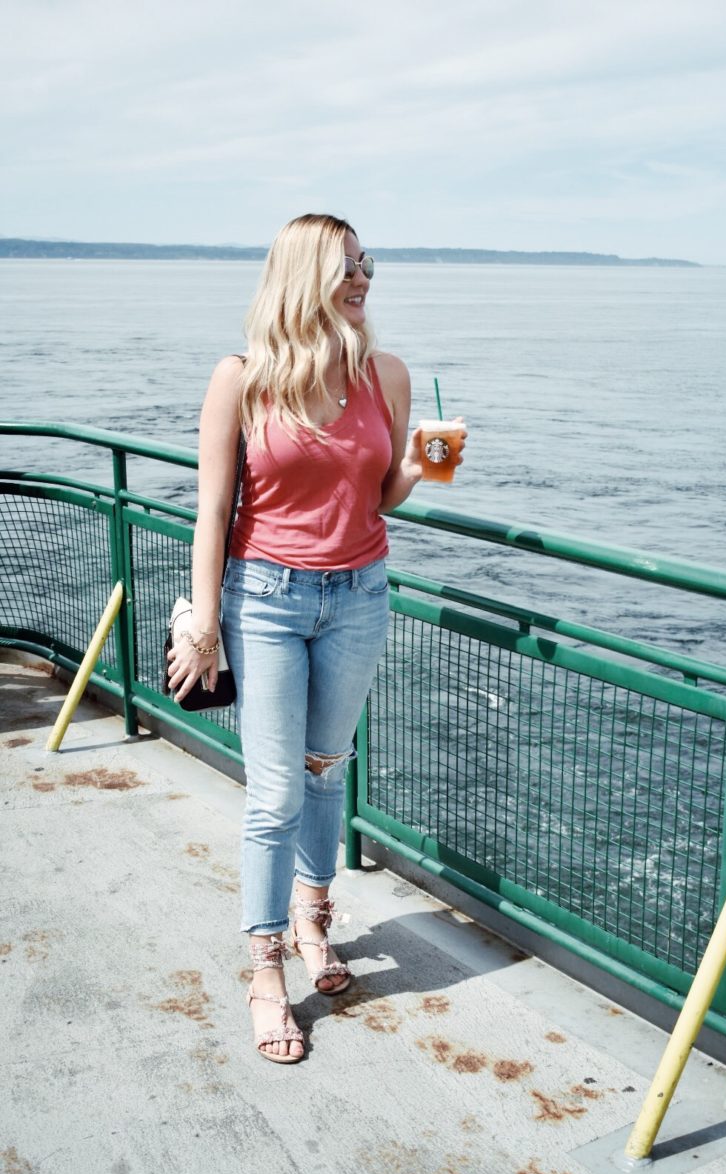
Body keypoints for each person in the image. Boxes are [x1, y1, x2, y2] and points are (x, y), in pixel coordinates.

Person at [167, 213, 466, 1064]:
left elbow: (383, 499)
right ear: (303, 276)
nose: (363, 277)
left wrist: (421, 464)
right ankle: (266, 966)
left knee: (326, 769)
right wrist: (205, 624)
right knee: (275, 796)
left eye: (366, 264)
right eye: (345, 267)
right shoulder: (243, 379)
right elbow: (211, 516)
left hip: (361, 592)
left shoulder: (387, 375)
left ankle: (312, 916)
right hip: (264, 598)